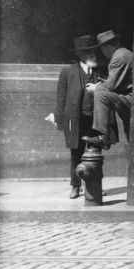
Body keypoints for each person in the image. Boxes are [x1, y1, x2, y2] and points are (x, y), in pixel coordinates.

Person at [53, 35, 105, 199]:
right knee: (76, 153)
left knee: (96, 151)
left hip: (94, 119)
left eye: (93, 52)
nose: (92, 55)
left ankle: (95, 184)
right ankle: (75, 186)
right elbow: (61, 98)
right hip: (74, 120)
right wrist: (59, 119)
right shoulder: (68, 72)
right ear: (80, 55)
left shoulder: (99, 72)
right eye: (88, 52)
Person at [82, 30, 133, 150]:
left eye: (102, 49)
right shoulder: (123, 54)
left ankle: (104, 137)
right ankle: (107, 136)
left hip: (131, 98)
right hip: (129, 97)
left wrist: (96, 87)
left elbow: (111, 86)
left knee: (101, 94)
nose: (102, 52)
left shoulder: (119, 57)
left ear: (109, 46)